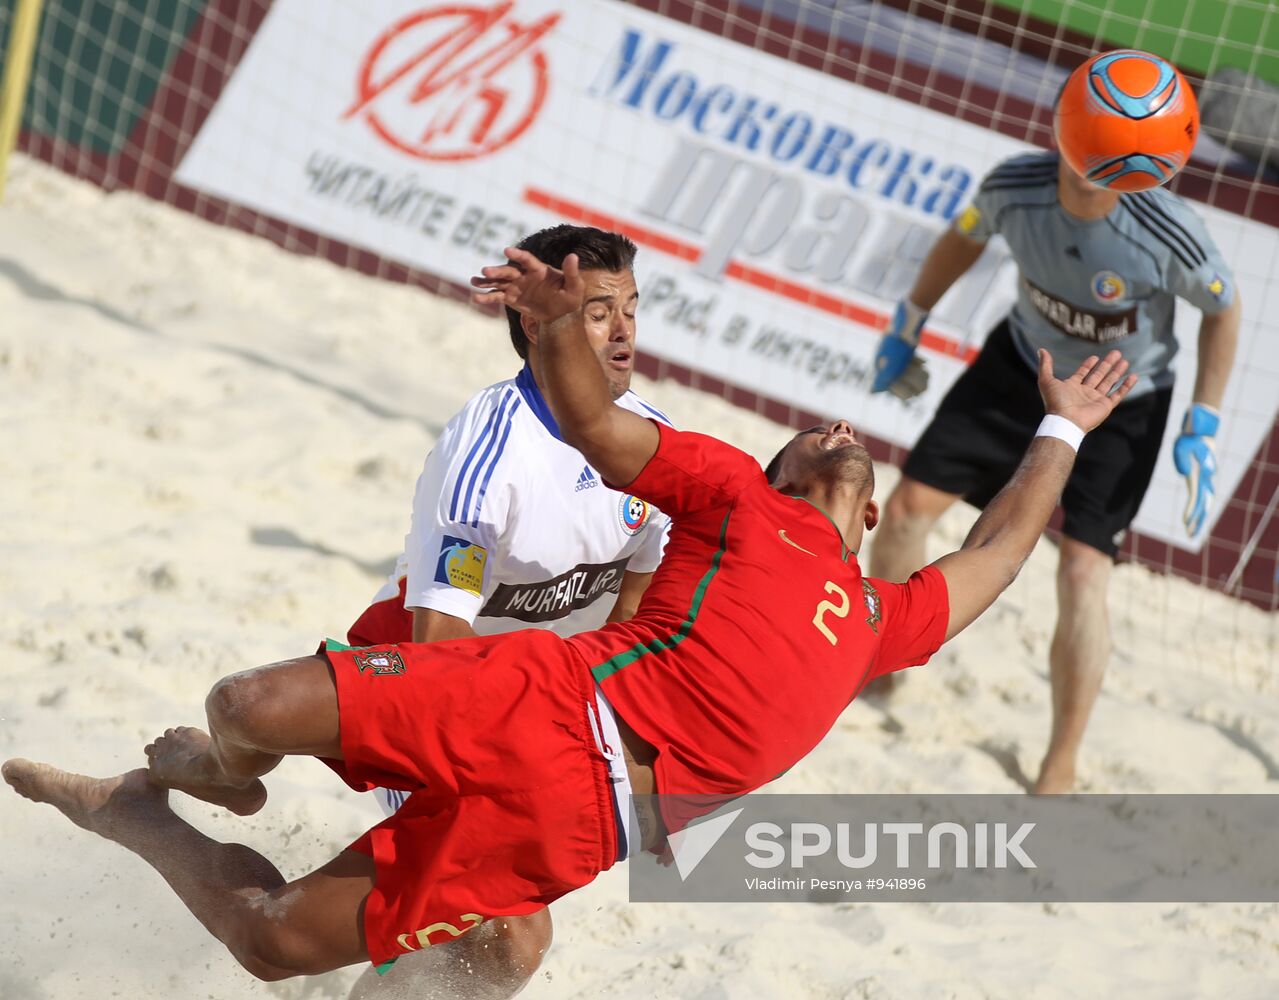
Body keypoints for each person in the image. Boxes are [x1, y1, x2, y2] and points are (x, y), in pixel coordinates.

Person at [3, 245, 1137, 983]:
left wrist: (1063, 434)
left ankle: (127, 812)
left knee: (280, 941)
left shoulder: (888, 616)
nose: (836, 433)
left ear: (872, 507)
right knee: (245, 701)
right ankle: (225, 759)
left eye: (849, 443)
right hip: (525, 692)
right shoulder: (728, 491)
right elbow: (595, 428)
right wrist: (555, 323)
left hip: (583, 815)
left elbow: (996, 547)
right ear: (778, 465)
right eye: (812, 435)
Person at [339, 224, 672, 997]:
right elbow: (438, 639)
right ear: (539, 321)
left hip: (537, 713)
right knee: (511, 933)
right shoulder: (491, 449)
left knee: (490, 942)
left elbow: (633, 629)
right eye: (597, 311)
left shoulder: (655, 446)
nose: (623, 331)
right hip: (418, 681)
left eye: (630, 306)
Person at [867, 141, 1241, 793]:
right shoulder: (1016, 184)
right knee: (902, 512)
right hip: (1020, 366)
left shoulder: (1166, 228)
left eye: (1101, 154)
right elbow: (964, 235)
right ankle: (878, 672)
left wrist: (1202, 420)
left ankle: (1058, 762)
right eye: (1078, 144)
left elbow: (1222, 307)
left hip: (1122, 396)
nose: (1079, 165)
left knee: (1081, 570)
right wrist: (909, 319)